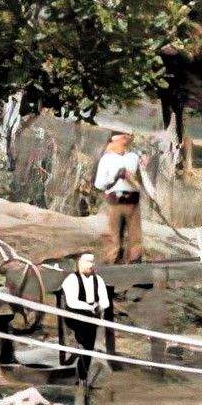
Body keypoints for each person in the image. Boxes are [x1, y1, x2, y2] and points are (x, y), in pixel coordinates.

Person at [93, 132, 144, 264]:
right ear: (114, 140)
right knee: (114, 236)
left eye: (125, 138)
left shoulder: (133, 157)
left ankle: (136, 267)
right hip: (115, 201)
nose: (124, 140)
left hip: (133, 201)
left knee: (135, 236)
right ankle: (113, 265)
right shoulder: (106, 159)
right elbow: (99, 184)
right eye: (121, 138)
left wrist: (143, 157)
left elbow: (142, 174)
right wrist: (116, 177)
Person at [59, 251, 111, 380]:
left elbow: (105, 300)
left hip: (92, 315)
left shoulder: (98, 279)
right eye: (87, 262)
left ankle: (83, 373)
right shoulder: (71, 279)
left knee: (89, 342)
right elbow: (72, 302)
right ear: (79, 263)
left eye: (92, 262)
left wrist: (99, 306)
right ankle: (78, 351)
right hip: (75, 315)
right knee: (84, 334)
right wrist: (89, 307)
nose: (90, 265)